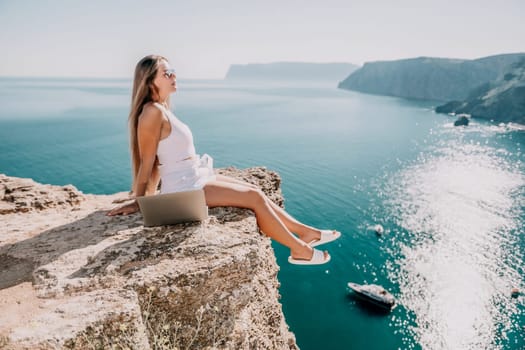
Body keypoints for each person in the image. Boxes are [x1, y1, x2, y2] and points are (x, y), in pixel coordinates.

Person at [107, 54, 341, 265]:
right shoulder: (152, 112)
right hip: (183, 187)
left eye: (173, 71)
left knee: (252, 188)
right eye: (166, 73)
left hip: (192, 177)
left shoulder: (161, 109)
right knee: (254, 197)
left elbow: (157, 160)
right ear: (149, 81)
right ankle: (299, 249)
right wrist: (139, 201)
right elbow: (148, 162)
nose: (174, 76)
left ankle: (306, 232)